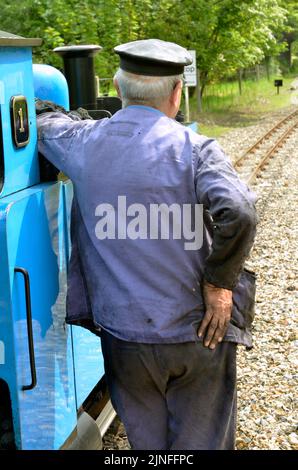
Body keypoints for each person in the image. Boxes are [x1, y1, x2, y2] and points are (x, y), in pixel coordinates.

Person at [37, 38, 257, 450]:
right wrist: (219, 284)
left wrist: (54, 110)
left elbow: (41, 119)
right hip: (198, 332)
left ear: (118, 90)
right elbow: (240, 211)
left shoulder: (81, 142)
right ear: (177, 93)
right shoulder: (197, 150)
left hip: (125, 339)